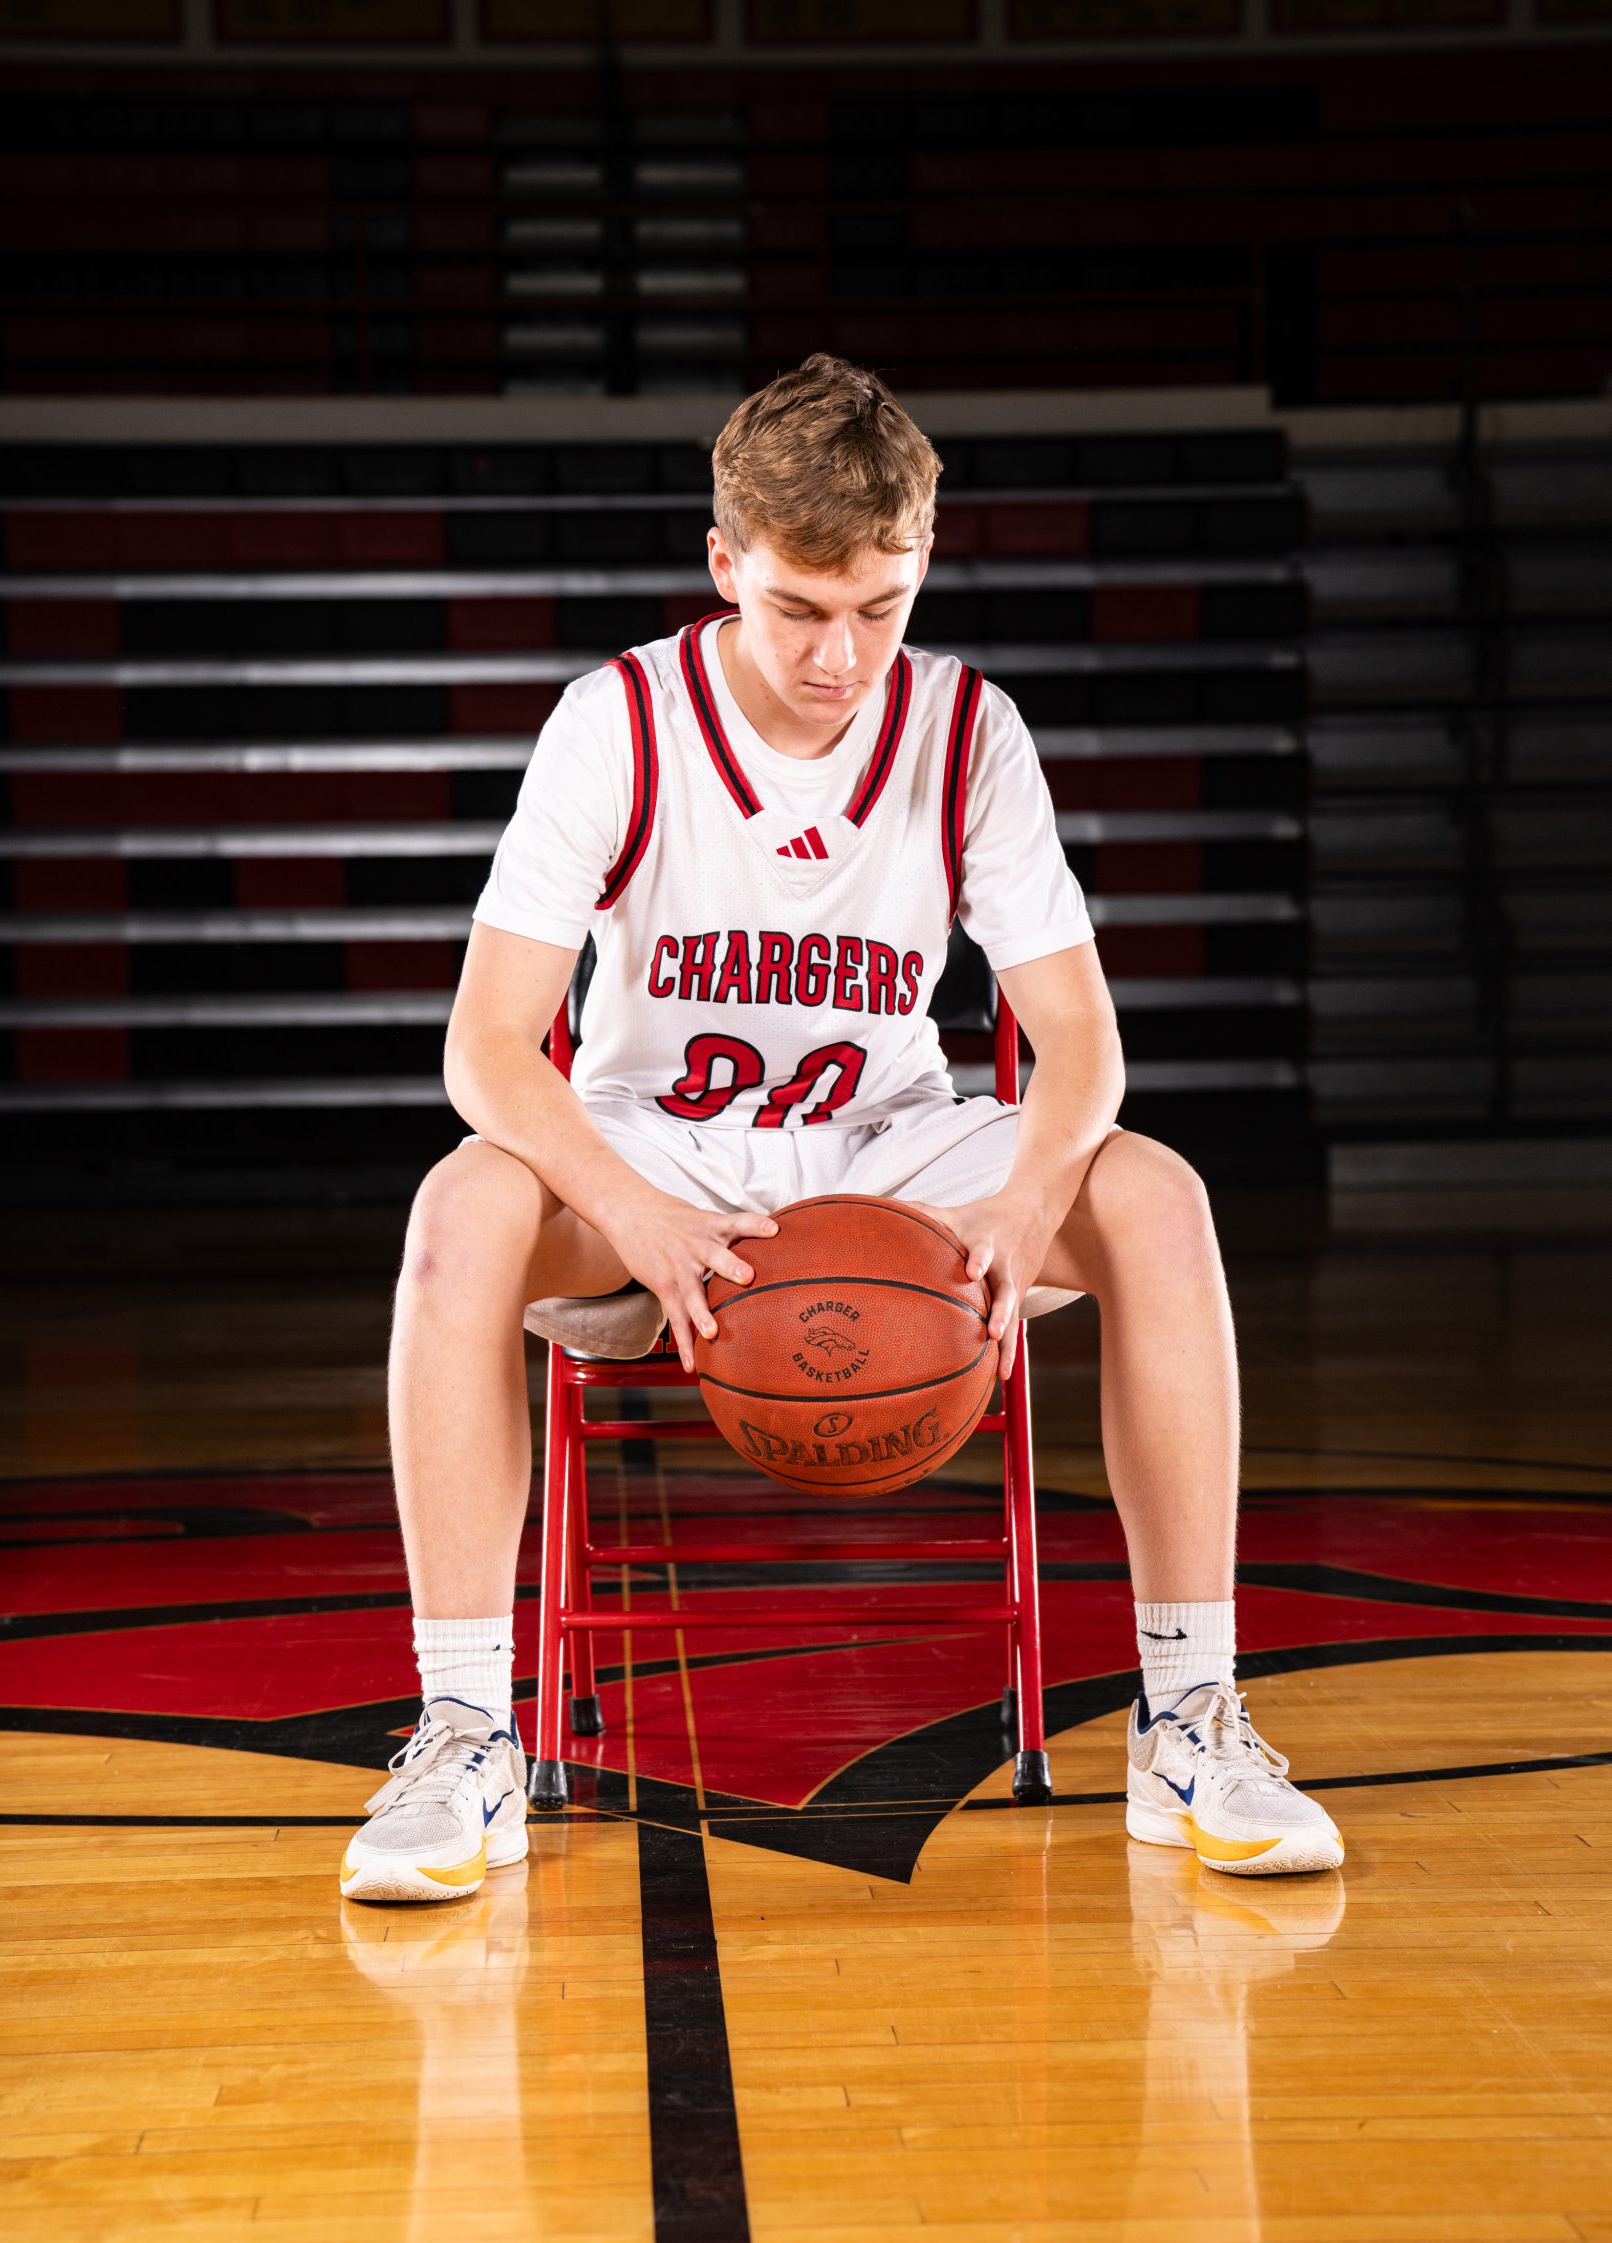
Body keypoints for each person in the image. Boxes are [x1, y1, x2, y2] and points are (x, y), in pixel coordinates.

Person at [339, 354, 1343, 1905]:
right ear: (724, 562)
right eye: (800, 608)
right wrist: (637, 1212)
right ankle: (463, 1731)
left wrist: (1021, 1205)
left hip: (889, 1147)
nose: (841, 654)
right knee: (458, 1209)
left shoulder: (965, 728)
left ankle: (1186, 1715)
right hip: (658, 1151)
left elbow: (1082, 1042)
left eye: (881, 606)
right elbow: (484, 1048)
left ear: (921, 561)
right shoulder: (618, 723)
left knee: (1153, 1194)